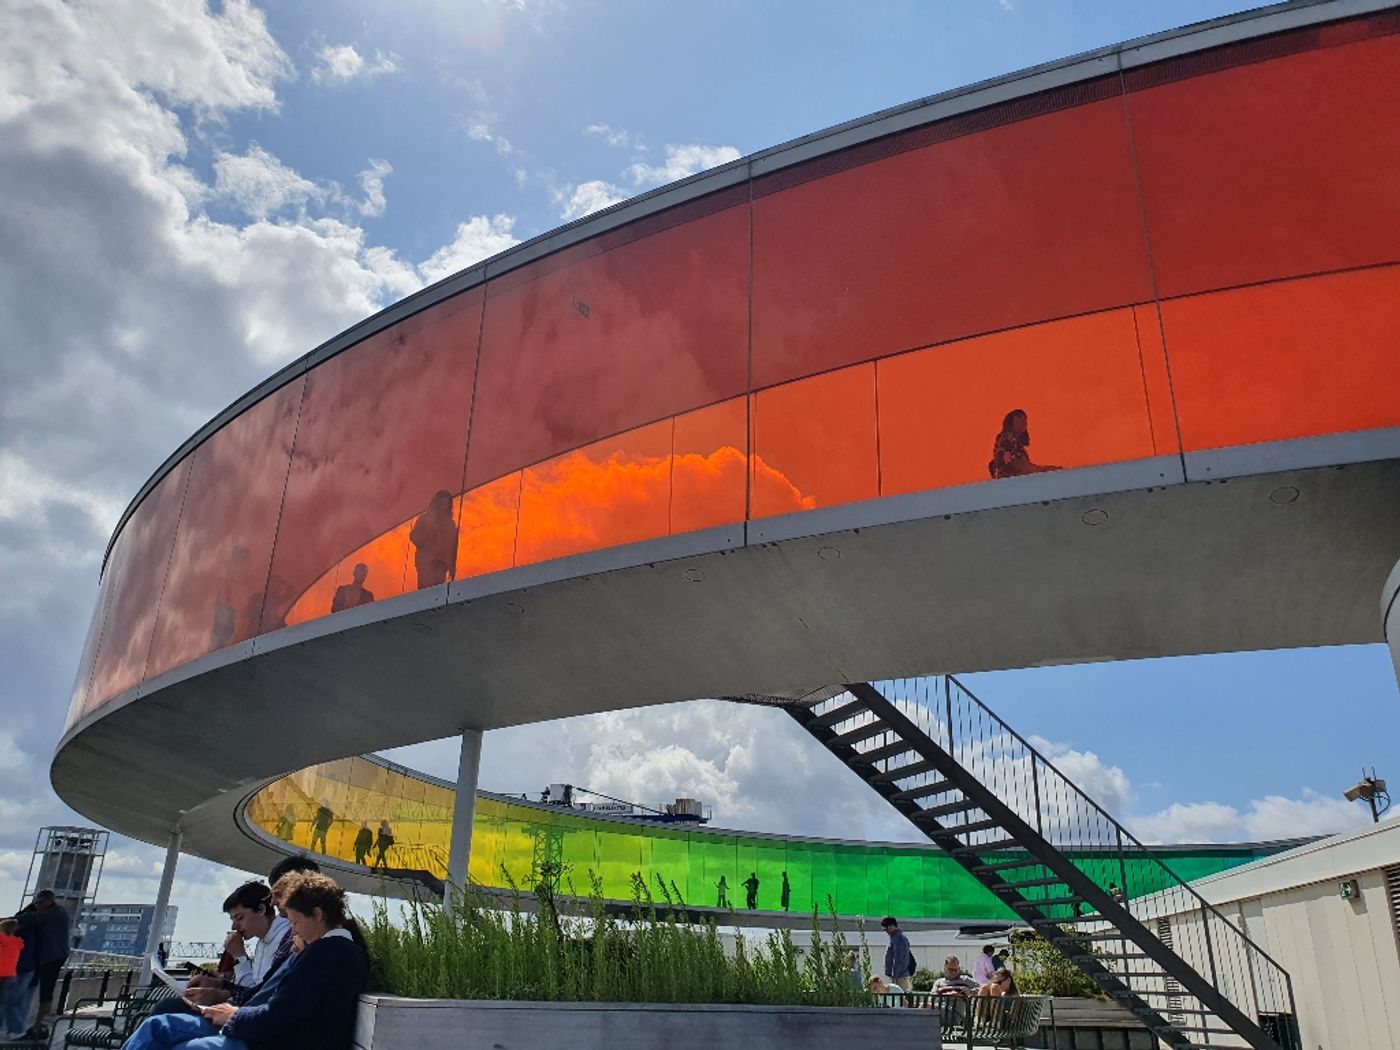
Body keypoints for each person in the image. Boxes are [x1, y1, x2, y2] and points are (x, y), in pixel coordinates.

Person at [120, 871, 368, 1050]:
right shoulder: (334, 951)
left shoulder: (327, 953)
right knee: (162, 1028)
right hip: (264, 1033)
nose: (292, 931)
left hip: (268, 1040)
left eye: (293, 921)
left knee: (170, 1034)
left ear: (317, 915)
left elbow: (279, 1015)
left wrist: (233, 1016)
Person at [14, 889, 70, 1037]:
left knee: (45, 990)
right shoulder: (55, 912)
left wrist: (9, 921)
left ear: (49, 901)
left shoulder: (56, 912)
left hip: (52, 957)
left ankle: (39, 1024)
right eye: (36, 903)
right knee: (43, 989)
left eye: (40, 903)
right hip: (51, 956)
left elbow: (29, 919)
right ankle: (37, 1024)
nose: (37, 906)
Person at [988, 409, 1060, 479]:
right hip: (1012, 478)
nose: (1024, 422)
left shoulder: (1016, 443)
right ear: (1012, 421)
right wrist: (1041, 469)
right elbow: (1015, 463)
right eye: (1019, 417)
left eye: (1025, 419)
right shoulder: (1006, 439)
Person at [409, 490, 456, 589]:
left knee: (437, 593)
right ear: (437, 503)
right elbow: (414, 537)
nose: (445, 505)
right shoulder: (425, 519)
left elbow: (453, 546)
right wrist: (429, 536)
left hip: (441, 563)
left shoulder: (450, 523)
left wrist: (452, 566)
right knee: (425, 592)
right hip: (426, 562)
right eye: (443, 502)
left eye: (447, 503)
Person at [0, 917, 36, 1040]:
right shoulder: (17, 942)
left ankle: (13, 1029)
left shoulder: (3, 939)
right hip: (12, 975)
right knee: (6, 1002)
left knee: (5, 1003)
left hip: (2, 975)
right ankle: (13, 1030)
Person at [880, 916, 915, 993]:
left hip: (899, 977)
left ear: (891, 926)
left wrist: (895, 976)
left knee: (898, 1000)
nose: (886, 931)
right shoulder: (896, 938)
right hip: (898, 976)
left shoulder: (898, 938)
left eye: (886, 928)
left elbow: (898, 958)